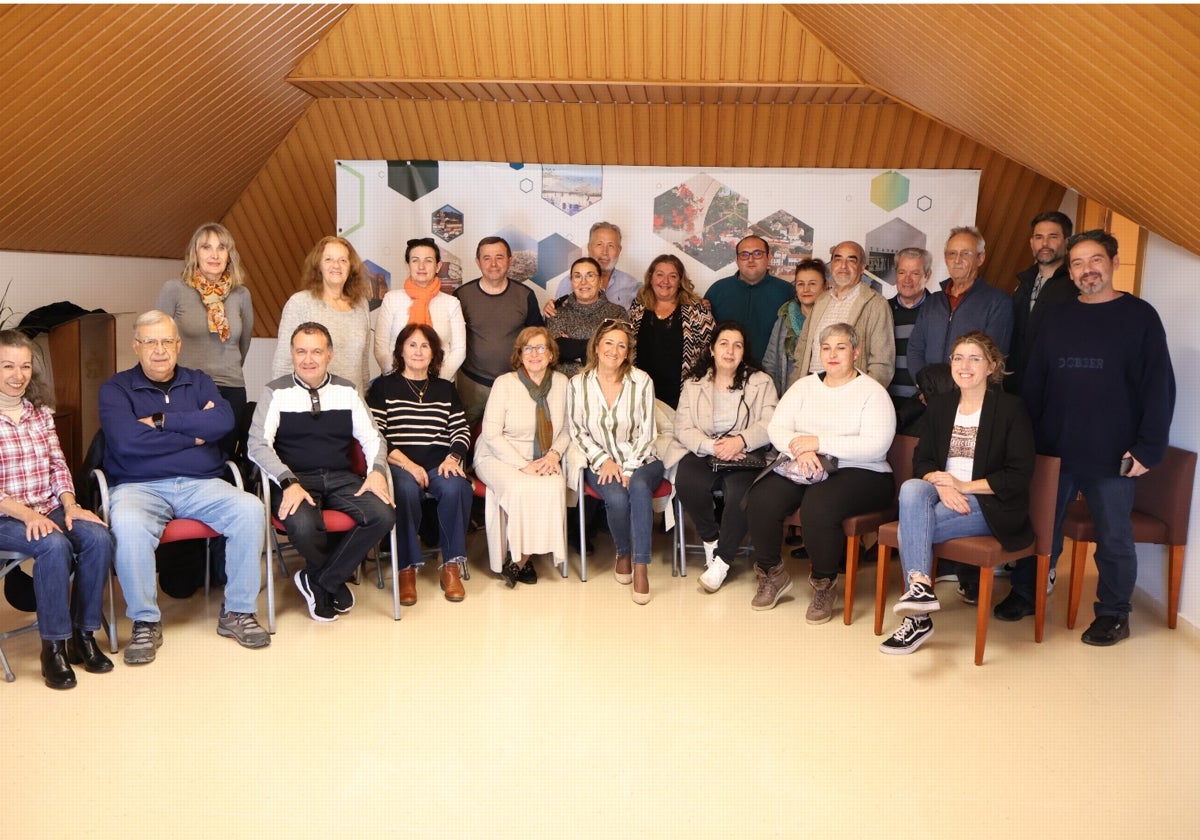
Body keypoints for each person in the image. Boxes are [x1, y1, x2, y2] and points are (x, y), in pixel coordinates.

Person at [1004, 230, 1176, 646]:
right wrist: (1027, 441)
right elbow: (1036, 384)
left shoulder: (1140, 317)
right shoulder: (1058, 316)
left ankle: (1114, 613)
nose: (1087, 270)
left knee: (1114, 538)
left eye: (1095, 260)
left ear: (1114, 262)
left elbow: (1160, 387)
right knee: (1040, 528)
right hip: (1054, 449)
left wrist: (1148, 448)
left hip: (1114, 453)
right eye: (1078, 263)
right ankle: (1027, 593)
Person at [98, 311, 269, 665]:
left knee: (250, 509)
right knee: (128, 526)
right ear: (136, 346)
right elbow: (127, 443)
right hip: (138, 487)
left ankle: (237, 612)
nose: (159, 350)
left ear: (178, 345)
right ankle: (145, 621)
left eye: (166, 341)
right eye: (149, 342)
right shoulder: (115, 389)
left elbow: (223, 421)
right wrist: (194, 436)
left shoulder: (200, 381)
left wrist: (162, 423)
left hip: (201, 484)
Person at [879, 331, 1035, 654]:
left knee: (916, 523)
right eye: (958, 358)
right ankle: (920, 591)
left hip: (990, 503)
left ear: (991, 366)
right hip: (942, 493)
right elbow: (921, 459)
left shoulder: (1010, 409)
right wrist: (939, 480)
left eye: (975, 358)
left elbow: (1018, 475)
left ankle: (917, 620)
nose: (965, 366)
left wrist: (962, 486)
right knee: (911, 488)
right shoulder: (941, 405)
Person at [744, 323, 895, 620]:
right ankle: (771, 573)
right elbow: (777, 427)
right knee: (761, 497)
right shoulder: (804, 386)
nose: (832, 354)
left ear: (856, 351)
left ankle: (824, 584)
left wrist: (820, 442)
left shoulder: (872, 392)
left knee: (818, 505)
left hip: (864, 470)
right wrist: (803, 449)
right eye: (826, 348)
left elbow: (876, 445)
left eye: (840, 347)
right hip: (807, 463)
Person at [248, 322, 395, 622]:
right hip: (295, 480)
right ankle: (331, 579)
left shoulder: (347, 390)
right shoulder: (275, 392)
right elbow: (257, 445)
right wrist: (287, 482)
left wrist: (377, 471)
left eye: (316, 351)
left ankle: (319, 580)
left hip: (341, 477)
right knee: (303, 526)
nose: (308, 359)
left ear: (330, 354)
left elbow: (373, 437)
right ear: (292, 354)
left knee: (382, 515)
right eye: (301, 351)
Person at [0, 330, 115, 689]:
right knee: (53, 544)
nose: (18, 375)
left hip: (47, 506)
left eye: (24, 366)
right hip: (6, 515)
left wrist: (70, 504)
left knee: (98, 536)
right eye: (7, 365)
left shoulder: (41, 415)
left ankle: (83, 636)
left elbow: (58, 467)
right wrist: (28, 515)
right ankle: (53, 647)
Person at [663, 321, 778, 593]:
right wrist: (711, 446)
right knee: (687, 481)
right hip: (705, 450)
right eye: (724, 344)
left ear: (744, 352)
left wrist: (740, 441)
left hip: (744, 454)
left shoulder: (761, 382)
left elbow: (771, 423)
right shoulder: (694, 384)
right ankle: (711, 540)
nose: (730, 350)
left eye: (737, 345)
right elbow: (683, 427)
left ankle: (722, 562)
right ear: (712, 349)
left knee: (740, 494)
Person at [367, 323, 472, 605]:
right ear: (401, 349)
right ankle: (406, 569)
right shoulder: (383, 387)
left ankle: (451, 566)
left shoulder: (445, 389)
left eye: (425, 346)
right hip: (400, 464)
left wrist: (454, 457)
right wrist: (409, 465)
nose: (418, 351)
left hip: (440, 464)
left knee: (457, 488)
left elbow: (461, 430)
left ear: (434, 353)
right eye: (412, 344)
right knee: (405, 492)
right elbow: (376, 434)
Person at [567, 318, 663, 605]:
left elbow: (647, 432)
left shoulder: (642, 380)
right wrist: (605, 461)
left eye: (622, 345)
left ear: (628, 352)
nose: (614, 350)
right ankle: (623, 551)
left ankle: (641, 566)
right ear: (596, 347)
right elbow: (577, 431)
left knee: (640, 489)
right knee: (618, 500)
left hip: (643, 458)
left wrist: (630, 468)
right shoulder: (578, 384)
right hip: (600, 463)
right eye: (609, 342)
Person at [474, 327, 571, 584]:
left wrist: (553, 456)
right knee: (520, 486)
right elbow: (492, 434)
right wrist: (522, 465)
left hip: (543, 455)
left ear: (551, 355)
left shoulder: (562, 384)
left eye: (541, 348)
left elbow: (568, 429)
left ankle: (520, 559)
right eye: (528, 348)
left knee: (554, 485)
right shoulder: (504, 384)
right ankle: (520, 560)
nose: (534, 354)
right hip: (497, 455)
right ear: (520, 354)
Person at [155, 222, 254, 456]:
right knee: (190, 457)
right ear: (195, 253)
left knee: (223, 458)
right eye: (206, 247)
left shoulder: (241, 294)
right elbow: (157, 340)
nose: (214, 254)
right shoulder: (174, 290)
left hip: (231, 388)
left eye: (221, 248)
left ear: (229, 255)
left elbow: (244, 343)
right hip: (187, 387)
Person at [453, 236, 544, 424]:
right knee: (464, 438)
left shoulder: (525, 295)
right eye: (487, 258)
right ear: (478, 262)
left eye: (499, 257)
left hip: (514, 381)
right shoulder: (462, 296)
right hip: (472, 383)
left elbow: (538, 340)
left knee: (513, 435)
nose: (493, 264)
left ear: (510, 261)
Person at [907, 226, 1013, 379]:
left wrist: (957, 394)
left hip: (970, 397)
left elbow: (993, 358)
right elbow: (915, 349)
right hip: (930, 397)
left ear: (980, 258)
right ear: (945, 258)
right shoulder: (933, 301)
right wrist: (925, 387)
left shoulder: (998, 302)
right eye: (952, 254)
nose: (957, 260)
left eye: (966, 254)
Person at [272, 236, 372, 393]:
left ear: (351, 267)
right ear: (318, 265)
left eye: (343, 260)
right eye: (328, 259)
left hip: (352, 403)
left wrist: (364, 398)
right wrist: (282, 403)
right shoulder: (300, 303)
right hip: (311, 404)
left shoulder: (361, 305)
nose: (336, 265)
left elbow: (363, 362)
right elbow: (283, 361)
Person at [791, 240, 895, 389]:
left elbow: (882, 363)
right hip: (813, 391)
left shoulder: (876, 304)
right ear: (831, 264)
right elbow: (801, 354)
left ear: (862, 267)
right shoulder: (821, 301)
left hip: (850, 394)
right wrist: (795, 392)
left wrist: (860, 397)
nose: (843, 266)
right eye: (838, 259)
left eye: (851, 260)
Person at [627, 253, 715, 409]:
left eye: (672, 276)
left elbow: (712, 352)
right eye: (660, 274)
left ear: (680, 281)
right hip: (641, 393)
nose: (665, 281)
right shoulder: (638, 307)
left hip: (682, 396)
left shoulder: (697, 310)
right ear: (651, 278)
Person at [373, 237, 467, 383]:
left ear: (438, 266)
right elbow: (381, 347)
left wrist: (437, 381)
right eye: (415, 260)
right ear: (408, 265)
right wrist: (397, 377)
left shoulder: (451, 303)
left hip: (440, 383)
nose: (421, 266)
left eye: (428, 261)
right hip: (396, 382)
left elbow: (459, 350)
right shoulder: (391, 299)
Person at [1005, 211, 1079, 395]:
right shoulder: (1023, 283)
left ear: (1067, 242)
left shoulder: (1076, 285)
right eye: (1039, 237)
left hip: (1054, 388)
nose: (1044, 244)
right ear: (1031, 243)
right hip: (1015, 387)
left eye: (1053, 237)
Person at [703, 235, 794, 363]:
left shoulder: (787, 291)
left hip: (772, 374)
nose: (750, 259)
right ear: (737, 260)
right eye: (744, 254)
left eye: (757, 253)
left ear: (769, 257)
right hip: (725, 372)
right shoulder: (717, 290)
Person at [546, 256, 627, 377]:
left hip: (606, 387)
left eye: (590, 276)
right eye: (578, 276)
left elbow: (622, 354)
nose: (583, 282)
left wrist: (573, 349)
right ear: (572, 281)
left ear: (600, 280)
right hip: (565, 388)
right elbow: (555, 352)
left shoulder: (617, 313)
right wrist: (600, 346)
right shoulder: (556, 312)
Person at [763, 257, 825, 396]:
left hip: (820, 396)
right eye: (800, 284)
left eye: (813, 283)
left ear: (824, 286)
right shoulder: (785, 317)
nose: (806, 289)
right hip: (788, 394)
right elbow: (770, 361)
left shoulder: (831, 318)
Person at [549, 221, 641, 310]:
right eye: (599, 244)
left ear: (619, 250)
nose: (605, 252)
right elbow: (555, 317)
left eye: (611, 245)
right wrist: (550, 309)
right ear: (589, 247)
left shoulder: (632, 285)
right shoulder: (568, 283)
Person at [887, 247, 933, 409]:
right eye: (902, 272)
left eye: (915, 273)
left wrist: (930, 392)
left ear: (927, 275)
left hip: (926, 404)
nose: (907, 279)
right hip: (886, 402)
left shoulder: (939, 310)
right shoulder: (883, 309)